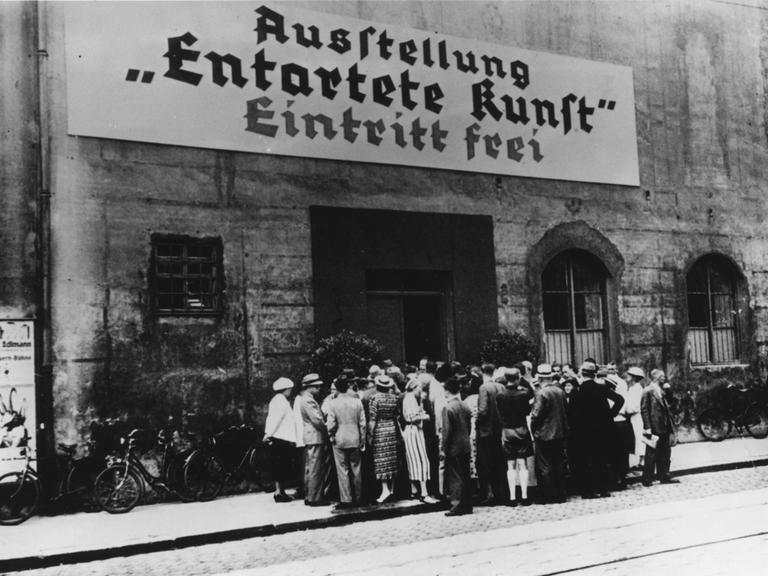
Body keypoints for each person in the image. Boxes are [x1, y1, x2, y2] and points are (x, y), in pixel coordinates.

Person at [574, 361, 624, 498]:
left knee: (587, 460)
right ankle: (603, 489)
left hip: (585, 431)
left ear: (582, 374)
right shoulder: (601, 388)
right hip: (602, 429)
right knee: (601, 459)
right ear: (594, 374)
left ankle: (589, 491)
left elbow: (574, 412)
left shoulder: (578, 390)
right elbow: (619, 399)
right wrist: (610, 415)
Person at [529, 363, 569, 504]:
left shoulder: (542, 393)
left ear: (539, 378)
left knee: (545, 466)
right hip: (560, 433)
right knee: (558, 463)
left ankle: (548, 495)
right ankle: (560, 494)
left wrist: (534, 430)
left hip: (544, 434)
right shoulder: (560, 391)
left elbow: (536, 415)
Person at [325, 375, 367, 509]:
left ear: (336, 389)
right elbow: (363, 423)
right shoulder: (357, 402)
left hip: (339, 438)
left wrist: (331, 435)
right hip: (355, 437)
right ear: (348, 387)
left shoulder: (333, 404)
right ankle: (359, 497)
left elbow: (330, 424)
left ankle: (346, 499)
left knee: (342, 469)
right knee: (356, 468)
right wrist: (362, 438)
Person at [496, 367, 534, 506]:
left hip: (507, 431)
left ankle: (512, 497)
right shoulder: (524, 394)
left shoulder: (500, 395)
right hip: (521, 429)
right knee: (522, 463)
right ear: (518, 378)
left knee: (510, 464)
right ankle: (524, 496)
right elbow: (527, 412)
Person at [401, 378, 438, 502]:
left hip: (411, 431)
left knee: (413, 459)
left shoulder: (409, 398)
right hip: (414, 431)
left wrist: (421, 402)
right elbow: (413, 418)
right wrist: (426, 417)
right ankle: (424, 492)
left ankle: (414, 490)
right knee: (421, 460)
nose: (420, 391)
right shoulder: (410, 399)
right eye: (419, 388)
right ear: (415, 388)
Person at [476, 362, 508, 505]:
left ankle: (488, 495)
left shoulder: (484, 387)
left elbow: (482, 410)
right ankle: (501, 493)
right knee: (499, 463)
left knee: (485, 464)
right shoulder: (501, 386)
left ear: (483, 372)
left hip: (486, 431)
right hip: (499, 430)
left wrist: (476, 421)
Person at [641, 369, 679, 486]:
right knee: (651, 453)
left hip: (665, 425)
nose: (664, 378)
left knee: (665, 452)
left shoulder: (662, 390)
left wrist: (668, 391)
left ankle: (664, 476)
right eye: (662, 376)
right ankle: (647, 478)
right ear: (656, 377)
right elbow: (644, 410)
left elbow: (670, 404)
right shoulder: (648, 391)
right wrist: (647, 427)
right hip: (654, 426)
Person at [442, 376, 473, 516]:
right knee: (465, 475)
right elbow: (469, 425)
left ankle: (456, 505)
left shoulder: (448, 408)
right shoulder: (465, 405)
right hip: (465, 444)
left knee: (455, 477)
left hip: (454, 446)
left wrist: (443, 449)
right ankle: (467, 504)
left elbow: (446, 431)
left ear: (447, 391)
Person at [263, 377, 297, 503]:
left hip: (280, 437)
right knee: (281, 466)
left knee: (280, 466)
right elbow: (275, 420)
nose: (290, 391)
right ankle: (279, 492)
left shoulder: (278, 400)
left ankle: (280, 492)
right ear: (286, 389)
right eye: (289, 389)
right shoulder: (280, 401)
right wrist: (268, 434)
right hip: (280, 438)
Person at [299, 373, 330, 506]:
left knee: (310, 467)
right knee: (316, 468)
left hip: (310, 436)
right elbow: (317, 420)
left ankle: (309, 495)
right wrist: (327, 428)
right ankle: (315, 498)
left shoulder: (304, 399)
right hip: (315, 436)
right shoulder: (308, 400)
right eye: (316, 386)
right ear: (309, 387)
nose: (318, 389)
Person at [368, 374, 399, 503]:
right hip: (391, 428)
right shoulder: (394, 398)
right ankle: (391, 489)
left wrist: (370, 434)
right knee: (391, 459)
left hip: (380, 430)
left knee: (381, 460)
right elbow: (396, 415)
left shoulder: (374, 399)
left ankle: (385, 489)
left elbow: (372, 419)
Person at [624, 367, 646, 469]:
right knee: (635, 438)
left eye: (629, 375)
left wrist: (627, 410)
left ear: (634, 377)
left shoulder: (638, 389)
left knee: (639, 437)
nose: (627, 377)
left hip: (637, 416)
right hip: (632, 417)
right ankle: (639, 461)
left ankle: (642, 462)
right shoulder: (632, 388)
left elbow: (636, 406)